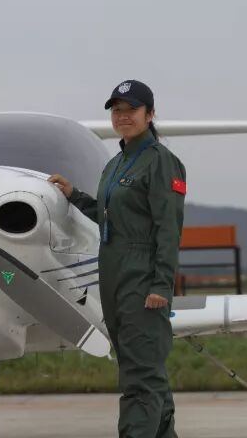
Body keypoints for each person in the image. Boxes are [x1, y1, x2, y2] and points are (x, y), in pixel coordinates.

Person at [48, 79, 186, 438]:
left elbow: (168, 230)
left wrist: (161, 285)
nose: (123, 116)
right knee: (142, 370)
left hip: (142, 276)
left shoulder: (161, 163)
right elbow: (111, 218)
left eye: (131, 110)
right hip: (113, 274)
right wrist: (74, 195)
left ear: (150, 114)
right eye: (117, 110)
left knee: (140, 377)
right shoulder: (115, 164)